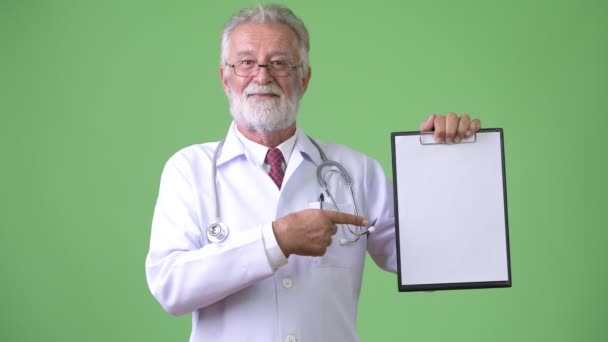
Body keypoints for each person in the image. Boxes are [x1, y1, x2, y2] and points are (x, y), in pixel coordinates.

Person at [145, 4, 481, 342]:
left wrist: (446, 163)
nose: (262, 76)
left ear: (303, 79)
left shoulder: (357, 171)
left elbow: (434, 261)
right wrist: (276, 241)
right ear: (225, 78)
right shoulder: (189, 171)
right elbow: (170, 286)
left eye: (279, 63)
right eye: (246, 62)